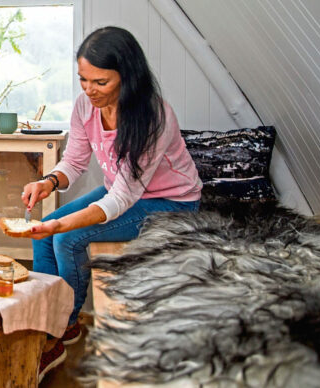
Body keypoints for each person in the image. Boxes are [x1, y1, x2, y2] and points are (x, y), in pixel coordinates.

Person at [22, 26, 202, 378]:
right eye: (83, 80)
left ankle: (64, 325)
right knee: (40, 233)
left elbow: (122, 197)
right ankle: (50, 321)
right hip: (120, 190)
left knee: (67, 236)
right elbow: (74, 161)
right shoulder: (84, 107)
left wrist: (64, 223)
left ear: (127, 76)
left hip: (171, 202)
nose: (89, 90)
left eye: (100, 82)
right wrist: (48, 182)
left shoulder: (155, 117)